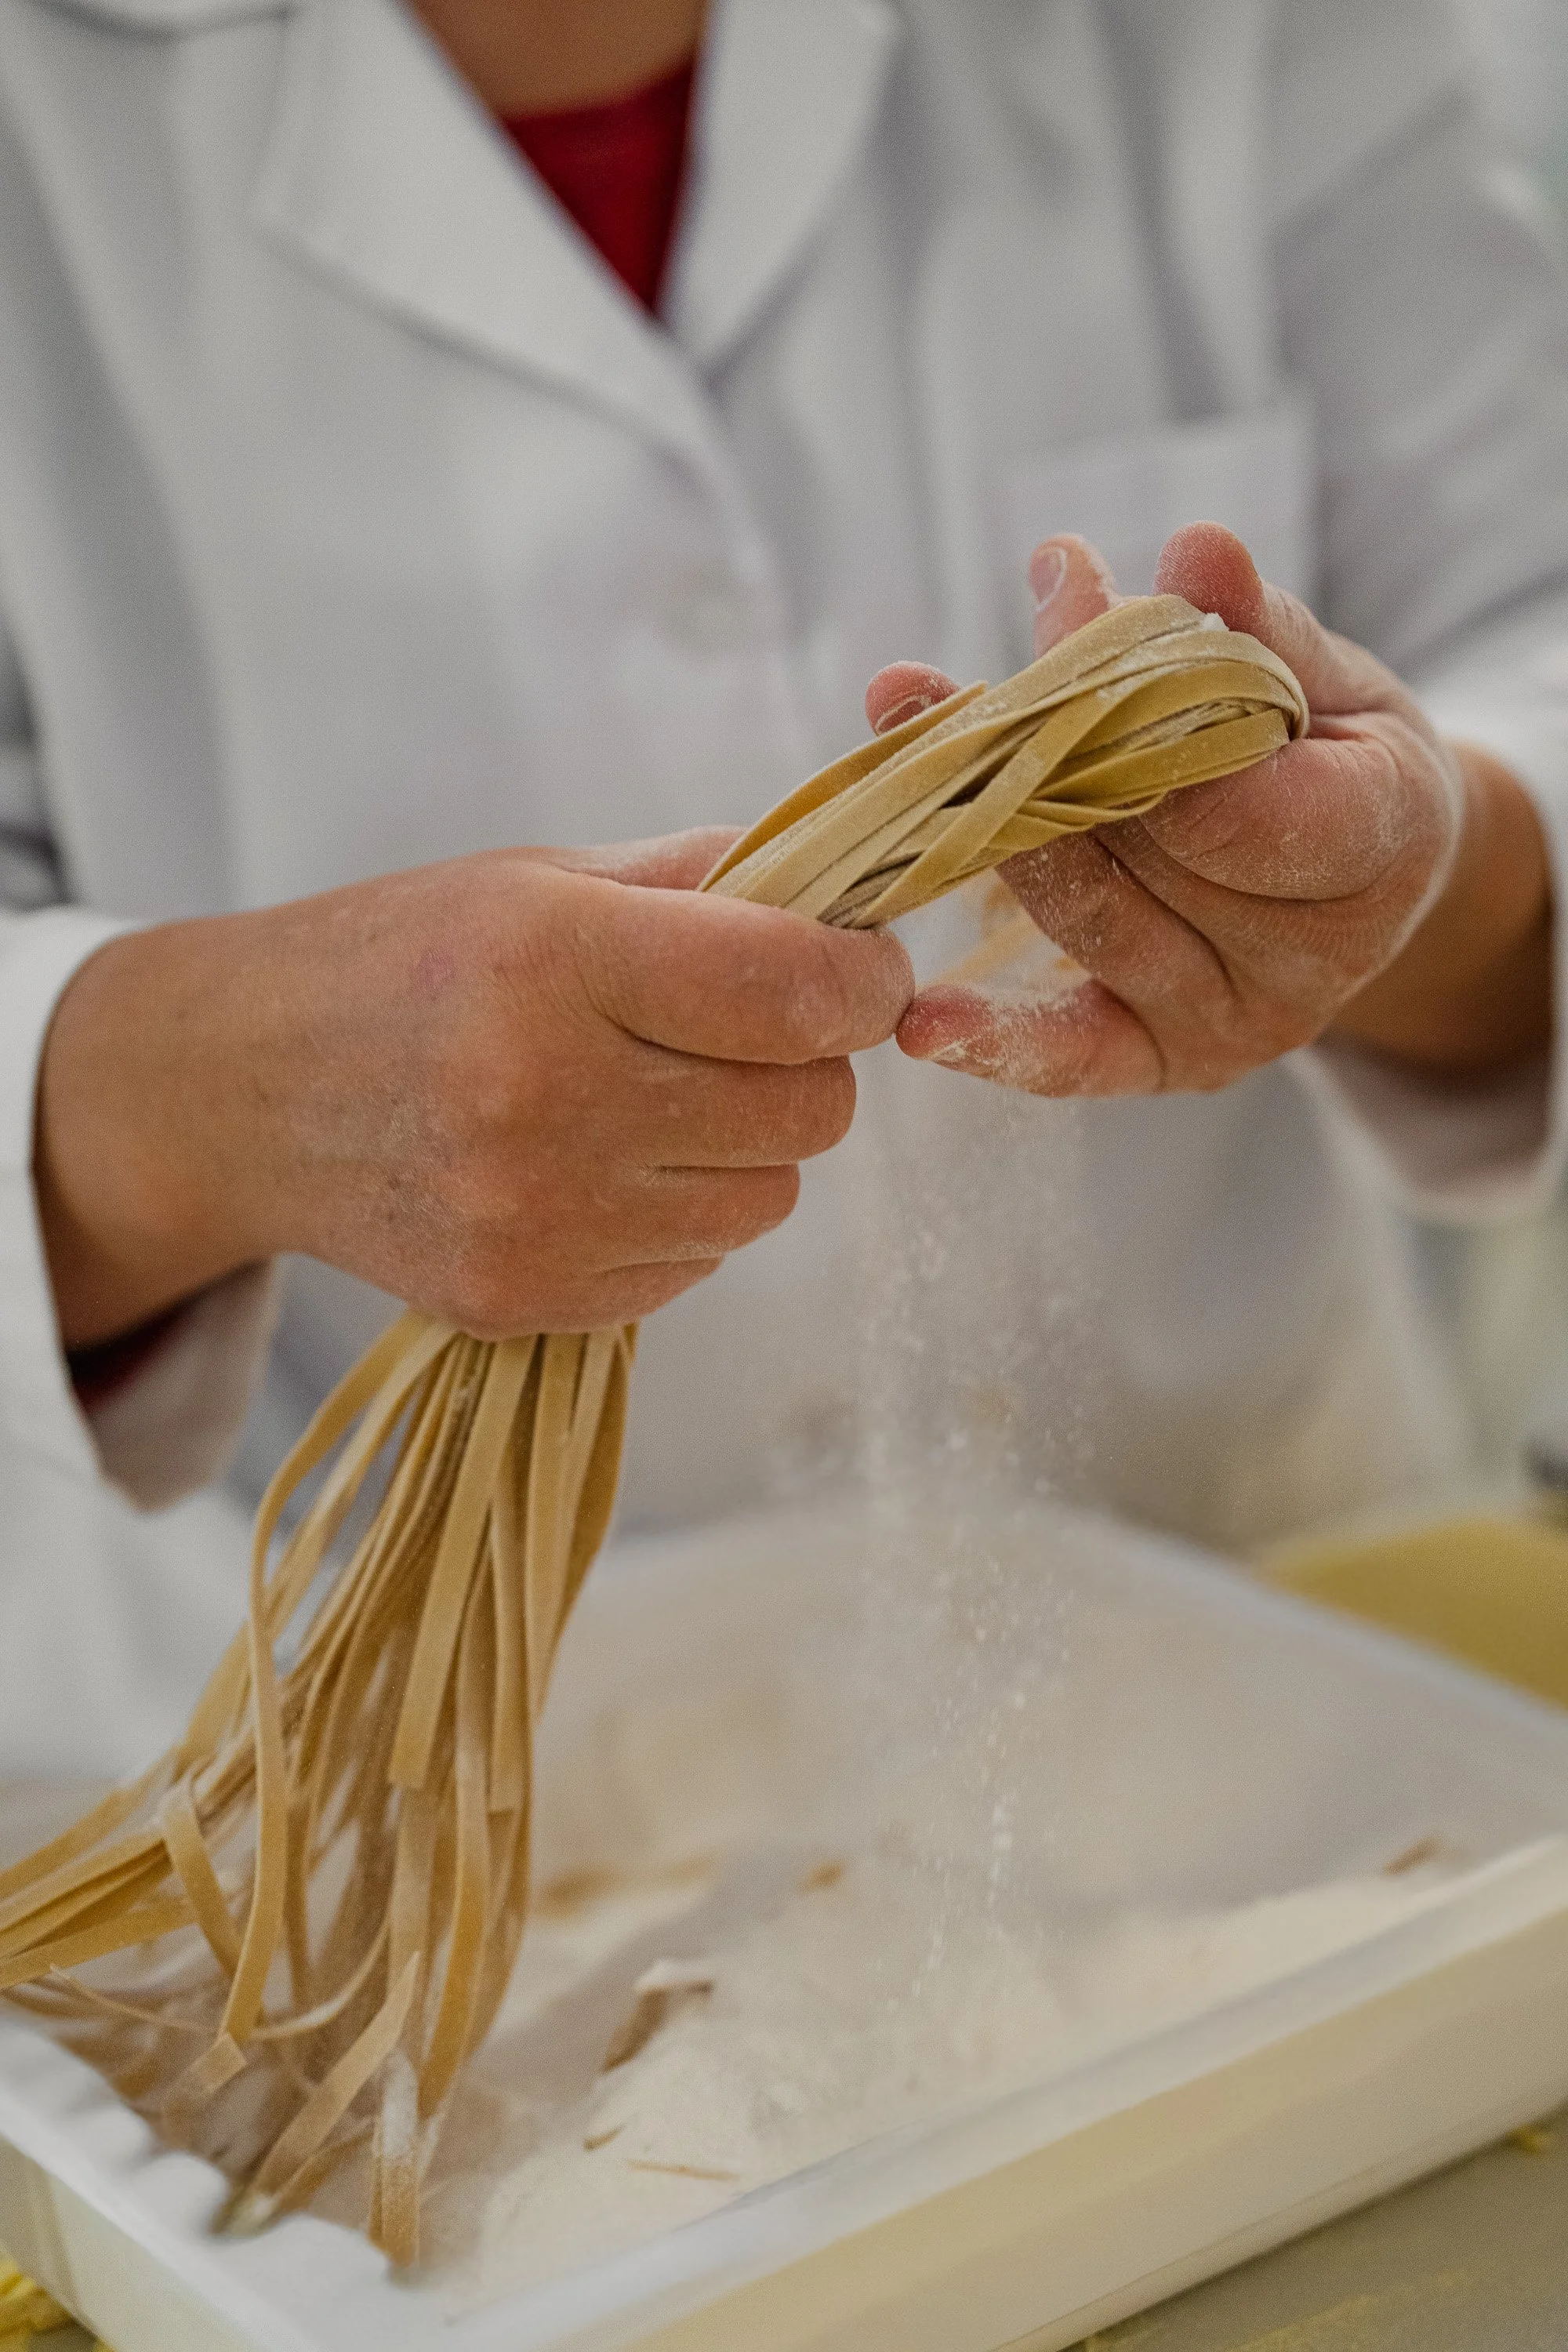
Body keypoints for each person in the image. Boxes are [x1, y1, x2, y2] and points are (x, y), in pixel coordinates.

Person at [1, 0, 1566, 1769]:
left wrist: (1412, 863)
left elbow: (1529, 632)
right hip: (372, 1770)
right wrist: (184, 1089)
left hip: (1269, 1648)